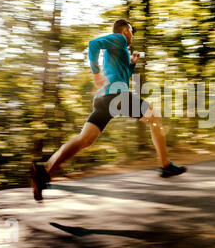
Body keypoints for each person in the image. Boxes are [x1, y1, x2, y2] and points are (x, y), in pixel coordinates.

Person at [31, 19, 187, 201]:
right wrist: (95, 72)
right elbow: (93, 44)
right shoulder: (119, 39)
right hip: (116, 95)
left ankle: (45, 170)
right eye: (131, 31)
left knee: (85, 140)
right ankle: (165, 165)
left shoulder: (120, 51)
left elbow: (122, 74)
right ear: (124, 30)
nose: (132, 36)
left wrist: (132, 63)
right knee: (154, 116)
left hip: (105, 98)